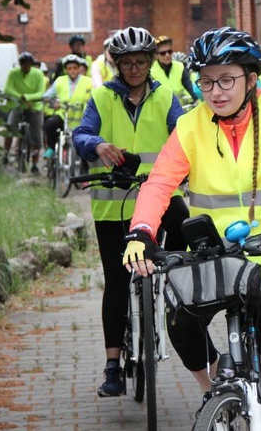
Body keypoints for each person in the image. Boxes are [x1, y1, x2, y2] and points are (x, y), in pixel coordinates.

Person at [122, 27, 261, 429]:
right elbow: (160, 182)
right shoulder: (191, 125)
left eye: (226, 79)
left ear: (251, 80)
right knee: (179, 320)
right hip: (217, 261)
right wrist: (141, 231)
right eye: (206, 80)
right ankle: (217, 388)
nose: (215, 91)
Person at [72, 26, 189, 397]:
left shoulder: (167, 96)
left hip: (157, 199)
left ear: (150, 62)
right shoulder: (101, 97)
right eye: (127, 63)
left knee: (190, 227)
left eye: (140, 62)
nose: (135, 69)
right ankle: (112, 365)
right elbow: (80, 135)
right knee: (117, 283)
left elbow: (185, 135)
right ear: (116, 65)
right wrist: (97, 144)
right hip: (113, 206)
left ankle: (179, 294)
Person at [2, 51, 47, 173]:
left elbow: (41, 92)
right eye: (23, 65)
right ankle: (6, 153)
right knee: (10, 126)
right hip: (18, 105)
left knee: (37, 135)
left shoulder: (38, 74)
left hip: (34, 106)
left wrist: (27, 97)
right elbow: (7, 89)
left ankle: (35, 163)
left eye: (28, 65)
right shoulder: (14, 73)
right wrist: (20, 97)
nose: (25, 68)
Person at [42, 54, 93, 158]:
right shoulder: (60, 81)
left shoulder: (88, 81)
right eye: (69, 68)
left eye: (75, 68)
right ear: (65, 69)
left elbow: (96, 95)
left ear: (79, 68)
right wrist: (53, 102)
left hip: (82, 117)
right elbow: (47, 96)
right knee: (49, 124)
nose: (72, 71)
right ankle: (51, 148)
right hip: (63, 115)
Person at [150, 35, 194, 108]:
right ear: (156, 55)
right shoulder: (151, 71)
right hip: (161, 110)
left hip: (181, 110)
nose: (167, 55)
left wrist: (196, 101)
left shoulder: (180, 66)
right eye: (163, 53)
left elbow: (189, 87)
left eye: (169, 52)